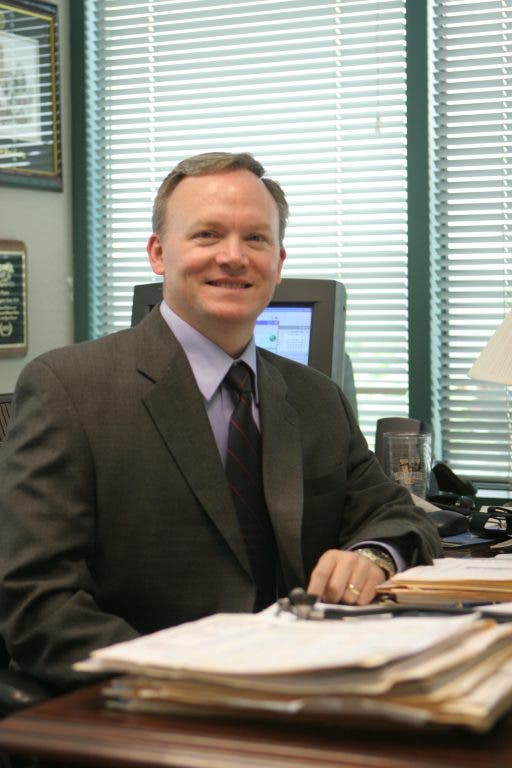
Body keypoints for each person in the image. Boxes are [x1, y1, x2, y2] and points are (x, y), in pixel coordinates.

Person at [0, 152, 442, 691]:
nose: (233, 257)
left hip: (311, 685)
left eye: (255, 239)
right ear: (158, 254)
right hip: (153, 704)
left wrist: (373, 556)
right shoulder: (69, 389)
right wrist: (187, 680)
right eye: (207, 235)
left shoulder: (315, 397)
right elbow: (37, 602)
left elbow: (397, 513)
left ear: (278, 260)